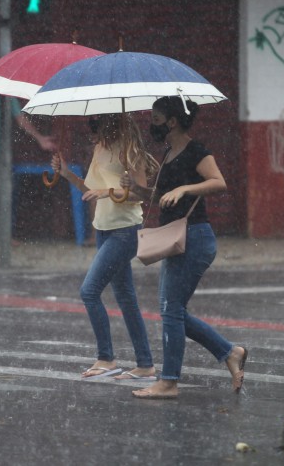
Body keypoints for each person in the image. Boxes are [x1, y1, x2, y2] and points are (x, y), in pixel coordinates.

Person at [120, 96, 248, 398]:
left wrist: (185, 188)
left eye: (155, 118)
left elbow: (219, 182)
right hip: (175, 238)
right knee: (173, 311)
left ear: (172, 121)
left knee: (171, 310)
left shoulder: (196, 151)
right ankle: (230, 353)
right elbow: (160, 197)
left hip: (195, 237)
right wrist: (135, 189)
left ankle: (169, 381)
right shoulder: (167, 153)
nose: (151, 124)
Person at [51, 113, 159, 379]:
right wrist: (65, 173)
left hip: (125, 230)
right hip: (103, 228)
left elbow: (141, 194)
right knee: (126, 297)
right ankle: (145, 365)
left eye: (98, 132)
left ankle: (106, 358)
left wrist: (110, 192)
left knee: (89, 291)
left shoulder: (130, 152)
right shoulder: (101, 149)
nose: (94, 138)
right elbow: (90, 189)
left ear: (110, 128)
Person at [0, 90, 56, 244]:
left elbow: (20, 119)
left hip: (1, 152)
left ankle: (3, 234)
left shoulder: (5, 96)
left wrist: (39, 139)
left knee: (3, 192)